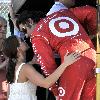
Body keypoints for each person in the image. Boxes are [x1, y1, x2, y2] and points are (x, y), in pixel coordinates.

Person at [2, 35, 80, 100]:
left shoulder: (14, 67)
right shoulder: (25, 68)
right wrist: (65, 63)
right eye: (21, 40)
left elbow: (10, 94)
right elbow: (46, 83)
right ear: (18, 49)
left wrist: (32, 62)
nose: (24, 41)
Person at [0, 16, 8, 100]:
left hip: (7, 86)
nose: (3, 29)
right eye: (0, 26)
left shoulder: (8, 43)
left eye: (5, 26)